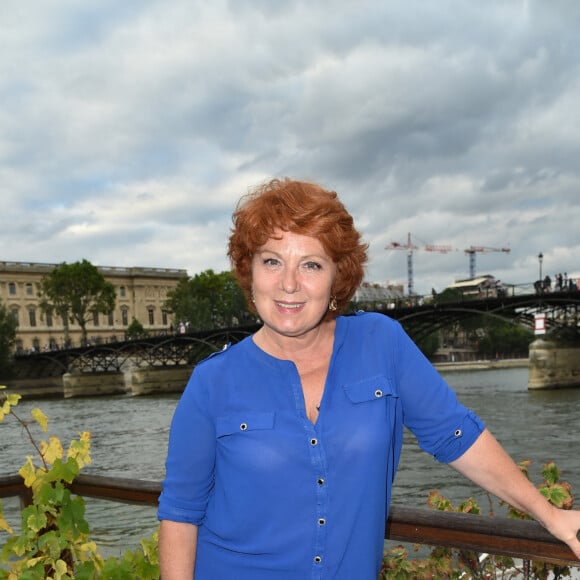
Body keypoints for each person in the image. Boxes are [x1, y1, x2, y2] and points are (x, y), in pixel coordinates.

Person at [158, 178, 580, 579]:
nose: (289, 284)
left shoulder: (382, 343)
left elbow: (457, 435)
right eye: (271, 261)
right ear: (249, 273)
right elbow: (180, 514)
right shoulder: (211, 382)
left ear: (337, 279)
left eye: (311, 264)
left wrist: (550, 514)